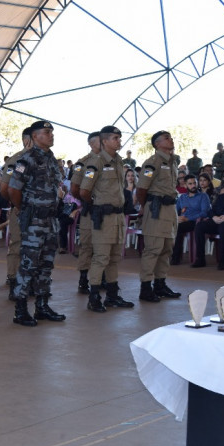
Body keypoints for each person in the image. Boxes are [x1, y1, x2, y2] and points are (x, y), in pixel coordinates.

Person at [8, 120, 66, 326]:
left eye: (52, 132)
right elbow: (13, 190)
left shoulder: (50, 158)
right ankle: (21, 309)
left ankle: (42, 306)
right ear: (35, 136)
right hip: (34, 220)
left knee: (46, 264)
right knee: (28, 264)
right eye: (47, 132)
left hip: (50, 219)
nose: (51, 135)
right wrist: (23, 210)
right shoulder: (27, 160)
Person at [80, 126, 133, 312]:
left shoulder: (118, 161)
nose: (119, 141)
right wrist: (97, 205)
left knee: (114, 258)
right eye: (115, 138)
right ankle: (94, 297)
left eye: (119, 137)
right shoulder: (96, 162)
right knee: (101, 257)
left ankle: (112, 295)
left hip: (118, 216)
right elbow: (84, 191)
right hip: (103, 216)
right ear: (104, 142)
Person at [134, 131, 181, 303]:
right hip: (156, 209)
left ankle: (160, 284)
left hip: (170, 209)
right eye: (167, 138)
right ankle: (145, 287)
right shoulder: (152, 163)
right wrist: (146, 207)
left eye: (171, 137)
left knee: (167, 248)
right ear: (157, 144)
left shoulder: (173, 161)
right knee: (153, 249)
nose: (171, 139)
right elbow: (141, 189)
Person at [0, 128, 33, 300]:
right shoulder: (16, 161)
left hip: (40, 213)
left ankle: (32, 281)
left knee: (37, 247)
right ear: (28, 140)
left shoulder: (45, 159)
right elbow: (5, 189)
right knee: (18, 244)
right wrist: (17, 205)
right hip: (21, 210)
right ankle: (13, 279)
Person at [70, 131, 101, 294]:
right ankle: (83, 279)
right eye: (98, 141)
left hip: (106, 211)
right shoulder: (83, 163)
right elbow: (74, 188)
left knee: (103, 246)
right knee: (87, 245)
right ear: (91, 144)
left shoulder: (111, 161)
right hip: (90, 209)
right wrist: (86, 201)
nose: (102, 143)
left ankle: (102, 278)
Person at [172, 174, 211, 265]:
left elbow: (204, 212)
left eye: (194, 183)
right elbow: (175, 211)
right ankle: (173, 257)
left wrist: (188, 218)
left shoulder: (203, 196)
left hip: (197, 221)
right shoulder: (182, 197)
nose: (193, 186)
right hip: (183, 222)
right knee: (172, 226)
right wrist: (177, 218)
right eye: (190, 184)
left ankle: (176, 257)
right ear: (185, 185)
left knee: (178, 228)